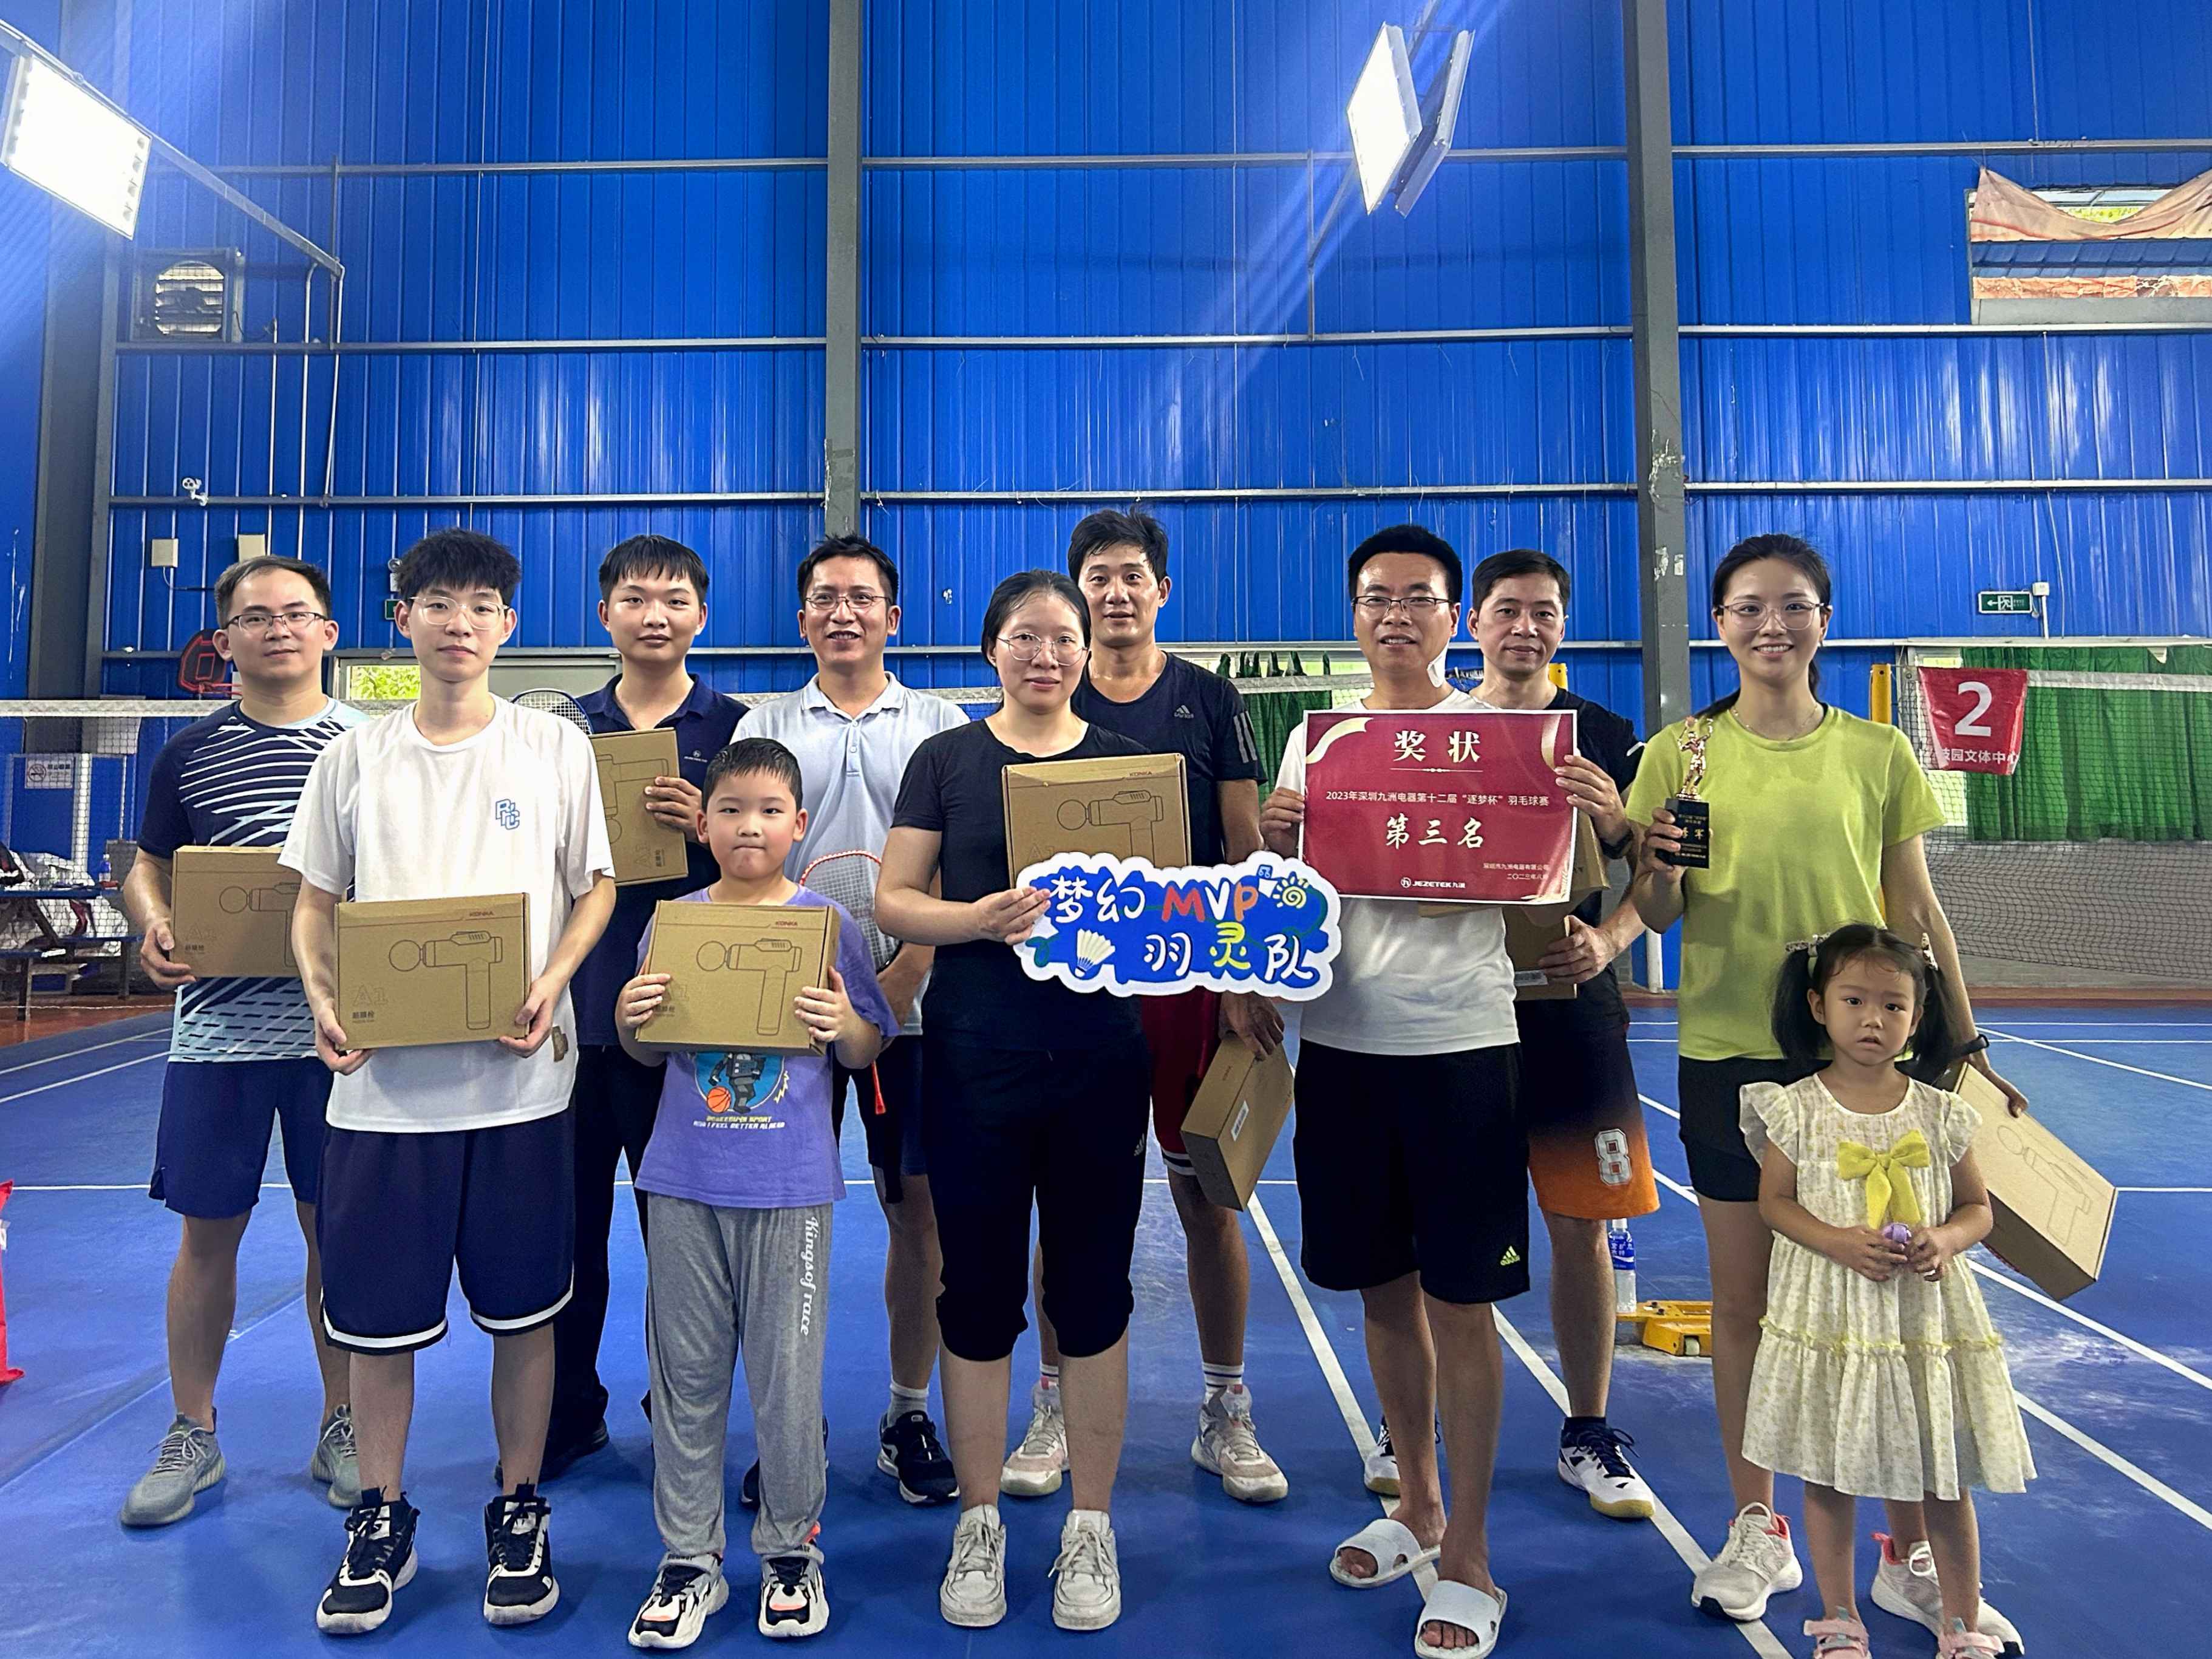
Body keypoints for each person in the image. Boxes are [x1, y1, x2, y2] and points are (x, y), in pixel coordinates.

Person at [1624, 532, 2027, 1647]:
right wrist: (1655, 866)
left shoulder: (1877, 750)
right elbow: (1654, 912)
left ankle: (1905, 1555)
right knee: (1746, 1306)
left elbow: (1913, 910)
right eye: (1748, 607)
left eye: (1792, 605)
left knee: (1890, 1302)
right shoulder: (1678, 754)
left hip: (1861, 1059)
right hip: (1728, 1053)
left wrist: (1961, 1034)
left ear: (1822, 621)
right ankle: (1757, 1523)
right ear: (1718, 624)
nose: (1771, 624)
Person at [283, 528, 616, 1636]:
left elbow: (593, 887)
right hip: (382, 1096)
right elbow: (313, 901)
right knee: (377, 1327)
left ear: (507, 626)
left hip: (521, 1089)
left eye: (480, 606)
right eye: (437, 603)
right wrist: (324, 999)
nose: (459, 622)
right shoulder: (353, 755)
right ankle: (381, 1513)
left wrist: (552, 983)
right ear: (404, 620)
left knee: (526, 1316)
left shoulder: (553, 747)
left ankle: (518, 1505)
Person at [1261, 525, 1526, 1659]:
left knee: (1462, 1304)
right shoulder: (1314, 741)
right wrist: (1275, 848)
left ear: (1452, 616)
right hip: (1342, 1046)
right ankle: (1415, 1501)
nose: (1396, 615)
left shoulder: (1499, 741)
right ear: (1354, 614)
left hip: (1462, 1044)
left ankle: (1469, 1551)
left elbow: (1534, 893)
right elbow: (1289, 905)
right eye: (1377, 597)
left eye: (1419, 598)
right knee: (1379, 1290)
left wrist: (1584, 822)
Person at [876, 570, 1152, 1634]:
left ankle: (1092, 1523)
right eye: (1024, 637)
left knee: (1092, 1294)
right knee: (978, 1292)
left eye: (1062, 638)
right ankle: (979, 1519)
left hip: (1098, 1061)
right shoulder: (946, 759)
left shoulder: (1127, 765)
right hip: (974, 1059)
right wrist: (975, 919)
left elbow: (1169, 907)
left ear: (1085, 651)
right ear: (991, 648)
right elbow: (895, 898)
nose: (1045, 654)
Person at [999, 508, 1285, 1505]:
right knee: (1066, 1203)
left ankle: (1225, 1407)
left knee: (1207, 1202)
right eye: (1098, 577)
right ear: (1075, 592)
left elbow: (1243, 845)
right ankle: (1051, 1399)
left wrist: (1242, 972)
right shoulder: (1048, 691)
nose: (1115, 592)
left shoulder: (1208, 699)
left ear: (1161, 590)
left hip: (1189, 982)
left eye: (1131, 576)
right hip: (1074, 987)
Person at [615, 737, 900, 1647]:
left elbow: (868, 1045)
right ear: (702, 823)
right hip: (682, 1184)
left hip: (789, 1188)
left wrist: (842, 1021)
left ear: (798, 825)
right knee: (685, 1379)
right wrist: (629, 1018)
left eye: (770, 811)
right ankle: (688, 1558)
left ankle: (789, 1550)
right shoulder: (671, 922)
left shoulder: (828, 923)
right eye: (731, 809)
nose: (750, 826)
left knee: (786, 1382)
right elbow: (643, 1050)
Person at [117, 555, 367, 1527]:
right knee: (205, 1233)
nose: (277, 629)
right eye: (255, 618)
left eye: (296, 613)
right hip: (217, 1036)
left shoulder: (370, 747)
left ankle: (344, 1420)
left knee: (332, 1232)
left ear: (329, 632)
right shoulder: (189, 753)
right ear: (225, 642)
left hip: (336, 1036)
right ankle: (194, 1430)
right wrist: (152, 922)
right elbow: (147, 866)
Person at [744, 532, 967, 1507]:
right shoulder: (761, 722)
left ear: (892, 617)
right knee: (775, 1220)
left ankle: (907, 1412)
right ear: (802, 619)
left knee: (916, 1211)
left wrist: (910, 969)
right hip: (786, 1010)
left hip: (910, 1009)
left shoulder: (941, 723)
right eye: (825, 598)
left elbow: (962, 856)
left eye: (861, 597)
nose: (843, 612)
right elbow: (743, 855)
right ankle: (787, 1426)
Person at [1742, 924, 2032, 1659]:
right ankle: (1839, 1617)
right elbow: (1774, 1203)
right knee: (1830, 1470)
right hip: (1832, 1316)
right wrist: (1836, 1240)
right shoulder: (1794, 1108)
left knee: (1944, 1475)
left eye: (1893, 1005)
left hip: (1920, 1322)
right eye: (1854, 1000)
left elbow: (1978, 1209)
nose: (1873, 1018)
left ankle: (1960, 1622)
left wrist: (1946, 1238)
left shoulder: (1939, 1111)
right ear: (1818, 1005)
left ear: (1917, 1013)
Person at [1460, 547, 1659, 1521]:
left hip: (1570, 1006)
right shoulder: (1432, 729)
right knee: (1453, 1219)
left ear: (1562, 627)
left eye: (1542, 612)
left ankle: (1586, 1428)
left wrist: (1609, 923)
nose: (1523, 628)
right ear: (1473, 624)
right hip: (1457, 1006)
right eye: (1506, 610)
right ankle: (1422, 1420)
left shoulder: (1606, 734)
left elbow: (1662, 875)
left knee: (1580, 1222)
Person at [550, 534, 744, 1479]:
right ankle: (566, 1409)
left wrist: (706, 828)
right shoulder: (559, 731)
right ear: (606, 615)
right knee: (569, 1235)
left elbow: (767, 862)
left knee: (686, 1242)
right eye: (634, 599)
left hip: (688, 1028)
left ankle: (684, 1405)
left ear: (700, 615)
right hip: (574, 1021)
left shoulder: (737, 729)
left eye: (673, 600)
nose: (653, 615)